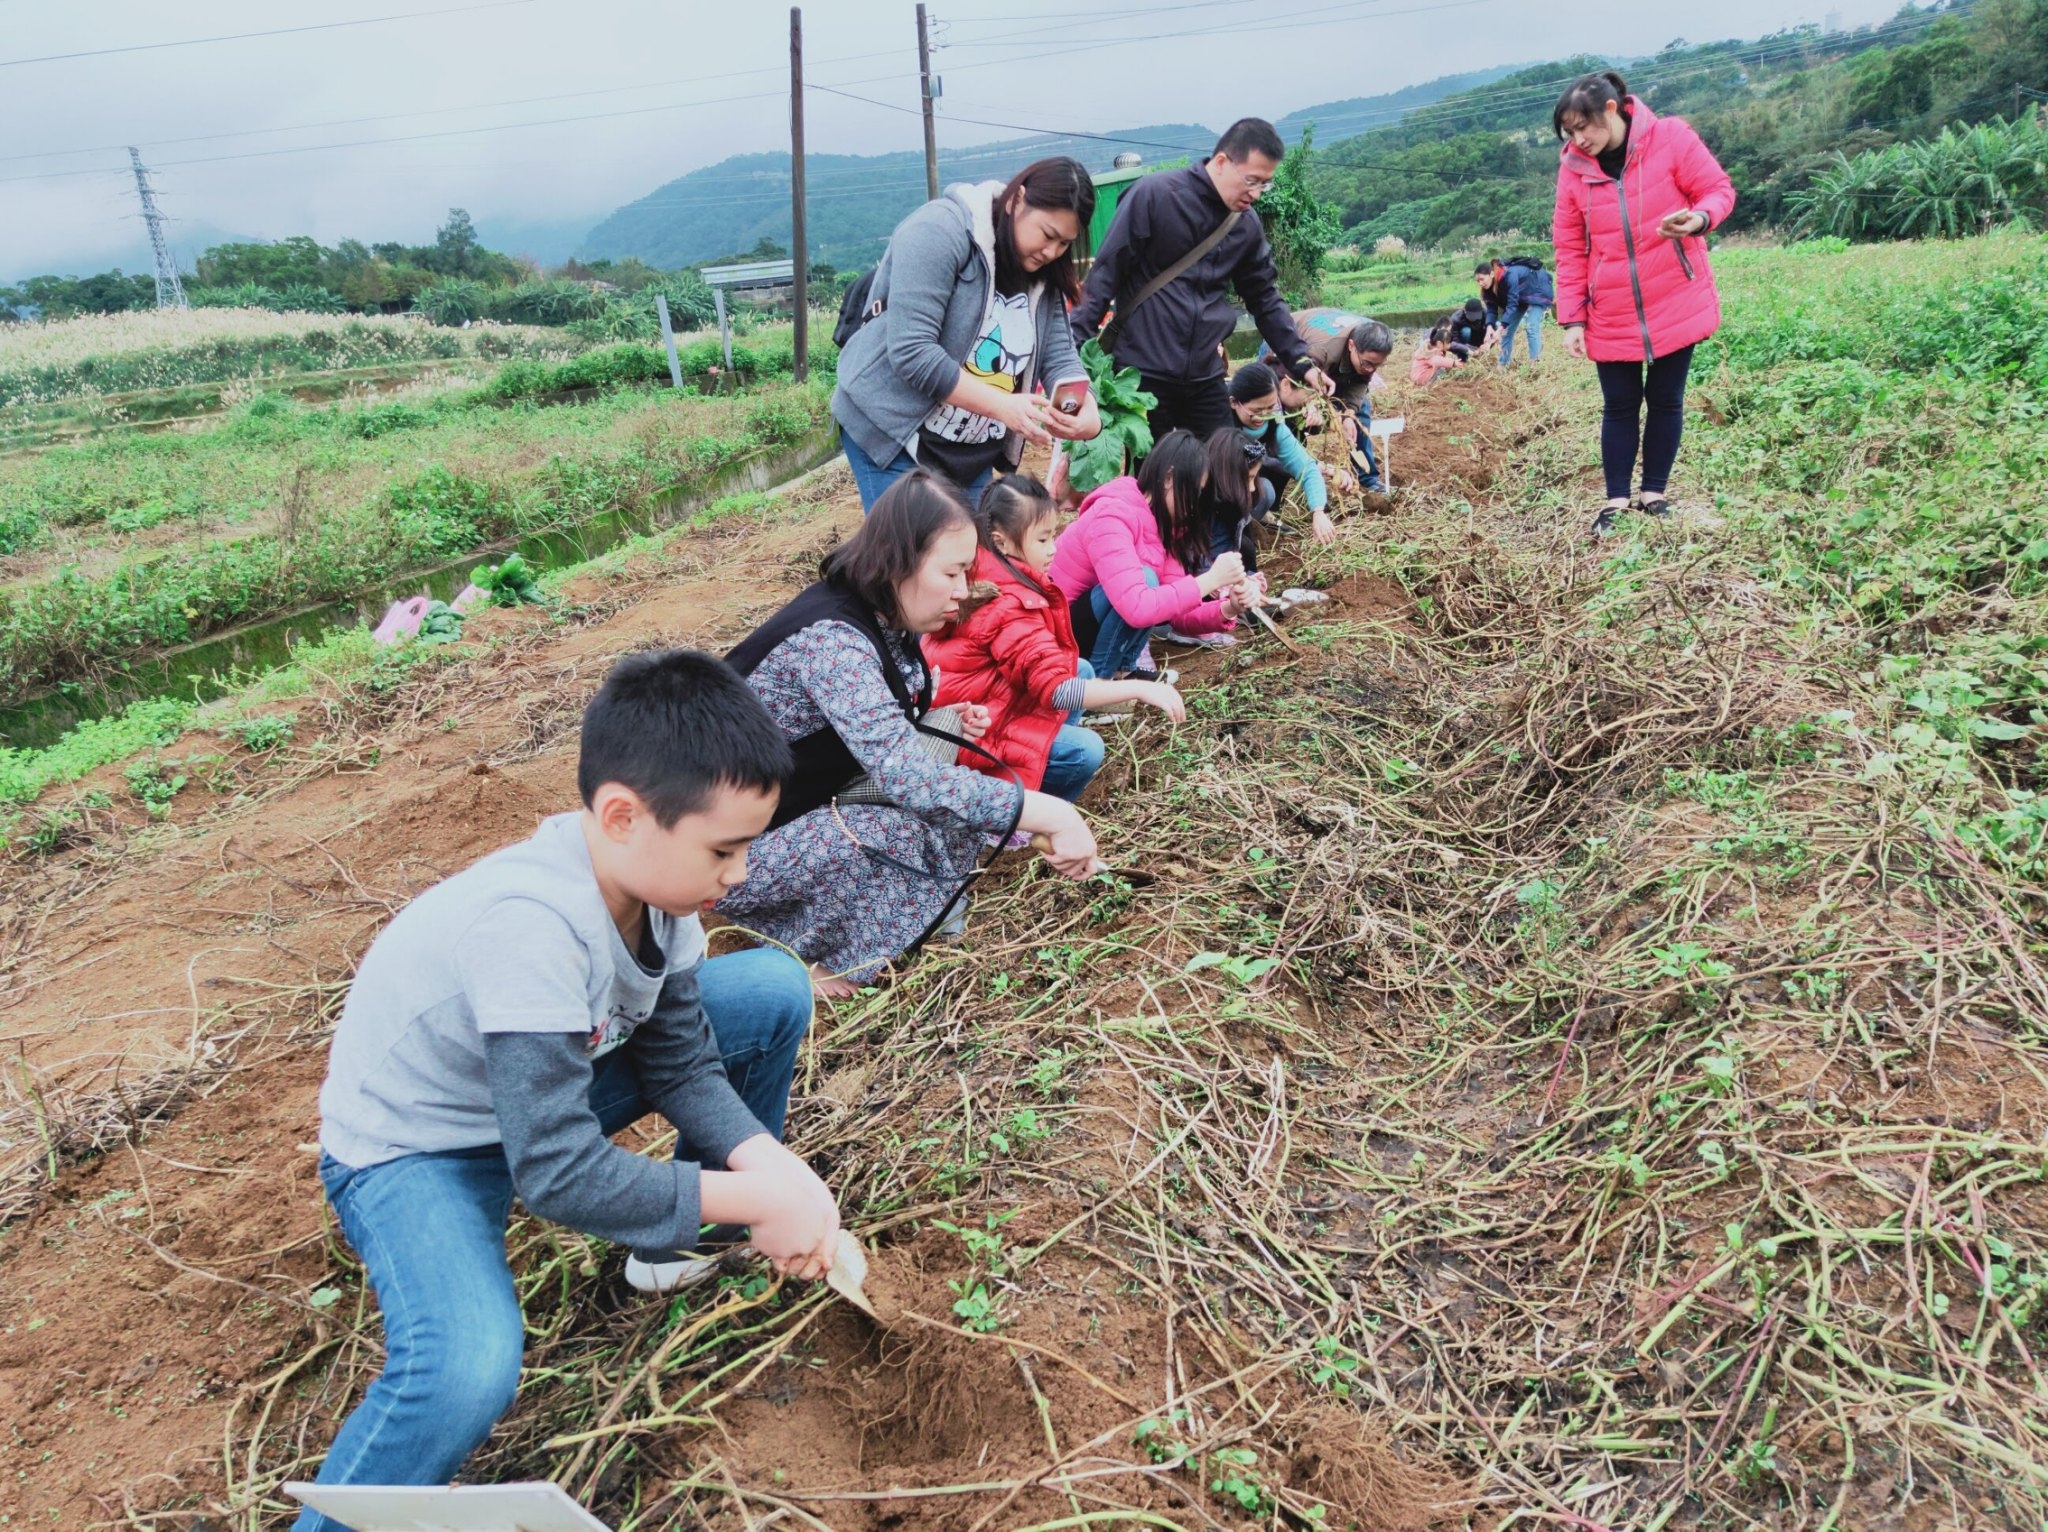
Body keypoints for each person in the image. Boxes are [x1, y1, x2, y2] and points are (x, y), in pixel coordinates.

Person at [297, 650, 838, 1531]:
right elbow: (553, 1169)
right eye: (724, 850)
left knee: (772, 994)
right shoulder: (530, 926)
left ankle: (666, 1252)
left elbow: (681, 1062)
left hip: (546, 1088)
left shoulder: (663, 892)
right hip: (419, 1151)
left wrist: (770, 1170)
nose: (737, 875)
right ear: (622, 815)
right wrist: (748, 1198)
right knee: (467, 1366)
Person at [722, 472, 1101, 997]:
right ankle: (797, 950)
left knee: (950, 789)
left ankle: (908, 913)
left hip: (798, 799)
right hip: (726, 851)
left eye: (967, 573)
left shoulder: (882, 616)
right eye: (952, 574)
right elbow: (910, 781)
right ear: (899, 561)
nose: (964, 591)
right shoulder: (832, 643)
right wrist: (1050, 811)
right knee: (896, 828)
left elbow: (897, 745)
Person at [832, 158, 1103, 511]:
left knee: (965, 558)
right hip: (893, 429)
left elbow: (1060, 354)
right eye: (1048, 234)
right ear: (1016, 199)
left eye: (1065, 244)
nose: (1052, 252)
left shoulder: (1041, 270)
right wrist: (1002, 406)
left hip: (967, 446)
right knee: (911, 558)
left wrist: (1089, 412)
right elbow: (912, 351)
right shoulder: (939, 231)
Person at [1550, 68, 1736, 536]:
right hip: (1609, 305)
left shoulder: (1670, 137)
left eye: (1583, 127)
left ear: (1610, 110)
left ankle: (1654, 493)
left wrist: (1698, 219)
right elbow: (1570, 247)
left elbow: (1718, 191)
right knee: (1619, 403)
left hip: (1675, 293)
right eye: (1569, 132)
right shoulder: (1573, 169)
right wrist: (1571, 317)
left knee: (1666, 399)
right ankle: (1616, 500)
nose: (1578, 139)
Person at [1070, 118, 1334, 443]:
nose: (1256, 193)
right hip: (1142, 374)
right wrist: (1072, 357)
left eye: (1264, 184)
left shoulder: (1245, 225)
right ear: (1222, 162)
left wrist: (1301, 363)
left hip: (1205, 375)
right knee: (1150, 479)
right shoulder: (1154, 197)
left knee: (1224, 475)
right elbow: (1103, 278)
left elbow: (1265, 298)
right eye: (1251, 180)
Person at [925, 476, 1185, 804]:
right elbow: (1056, 690)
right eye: (1043, 539)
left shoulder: (982, 569)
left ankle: (1042, 750)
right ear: (1001, 541)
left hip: (980, 710)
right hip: (979, 739)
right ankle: (1020, 813)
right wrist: (1141, 688)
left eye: (1053, 536)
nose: (1054, 549)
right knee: (1086, 749)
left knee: (1081, 669)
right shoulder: (1010, 603)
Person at [1049, 429, 1252, 675]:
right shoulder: (1113, 514)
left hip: (1082, 629)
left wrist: (1227, 608)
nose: (1196, 503)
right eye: (1194, 491)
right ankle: (1099, 683)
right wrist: (1211, 579)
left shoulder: (1165, 525)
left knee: (1154, 588)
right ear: (1169, 478)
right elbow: (1138, 608)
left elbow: (1178, 613)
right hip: (1055, 632)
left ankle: (1124, 671)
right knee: (1146, 581)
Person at [1272, 310, 1393, 493]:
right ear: (1352, 345)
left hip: (1326, 357)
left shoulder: (1374, 339)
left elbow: (1361, 382)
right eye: (1367, 363)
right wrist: (1311, 404)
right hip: (1286, 346)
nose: (1371, 370)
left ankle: (1367, 479)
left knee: (1361, 408)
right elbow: (1305, 380)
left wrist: (1349, 414)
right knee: (1285, 417)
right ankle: (1296, 477)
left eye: (1377, 365)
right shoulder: (1323, 349)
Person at [1226, 361, 1333, 547]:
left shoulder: (1274, 427)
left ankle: (1247, 523)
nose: (1264, 416)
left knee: (1264, 491)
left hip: (1245, 488)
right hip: (1218, 492)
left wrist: (1318, 511)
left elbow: (1306, 468)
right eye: (1257, 410)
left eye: (1270, 408)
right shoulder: (1218, 423)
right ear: (1234, 403)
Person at [1475, 255, 1555, 367]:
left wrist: (1500, 328)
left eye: (1482, 279)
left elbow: (1512, 305)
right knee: (1506, 332)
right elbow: (1491, 309)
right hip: (1520, 297)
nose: (1480, 283)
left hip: (1537, 290)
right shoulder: (1487, 289)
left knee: (1531, 326)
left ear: (1492, 274)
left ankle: (1535, 364)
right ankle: (1502, 365)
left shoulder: (1509, 276)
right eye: (1477, 280)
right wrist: (1489, 327)